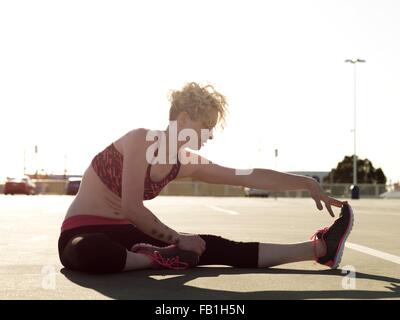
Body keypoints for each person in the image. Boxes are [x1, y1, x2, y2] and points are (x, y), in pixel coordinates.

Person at [58, 82, 353, 274]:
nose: (210, 134)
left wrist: (305, 182)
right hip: (82, 231)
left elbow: (246, 176)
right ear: (183, 119)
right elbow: (132, 209)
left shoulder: (185, 162)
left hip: (129, 236)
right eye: (206, 126)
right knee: (89, 250)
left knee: (210, 244)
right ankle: (157, 258)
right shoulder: (140, 140)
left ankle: (320, 249)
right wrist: (177, 240)